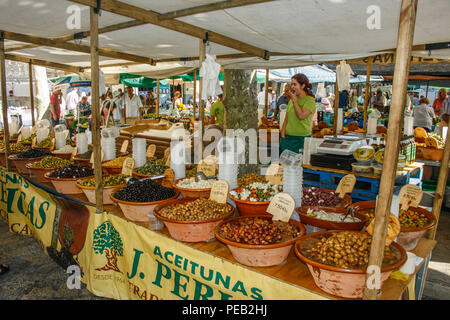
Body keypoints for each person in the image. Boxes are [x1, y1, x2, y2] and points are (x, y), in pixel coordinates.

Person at [280, 73, 316, 154]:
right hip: (288, 138)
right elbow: (286, 119)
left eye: (295, 84)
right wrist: (282, 135)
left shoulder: (310, 100)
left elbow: (301, 116)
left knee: (299, 165)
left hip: (302, 138)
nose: (292, 87)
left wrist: (294, 100)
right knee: (284, 165)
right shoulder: (291, 100)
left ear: (303, 86)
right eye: (291, 84)